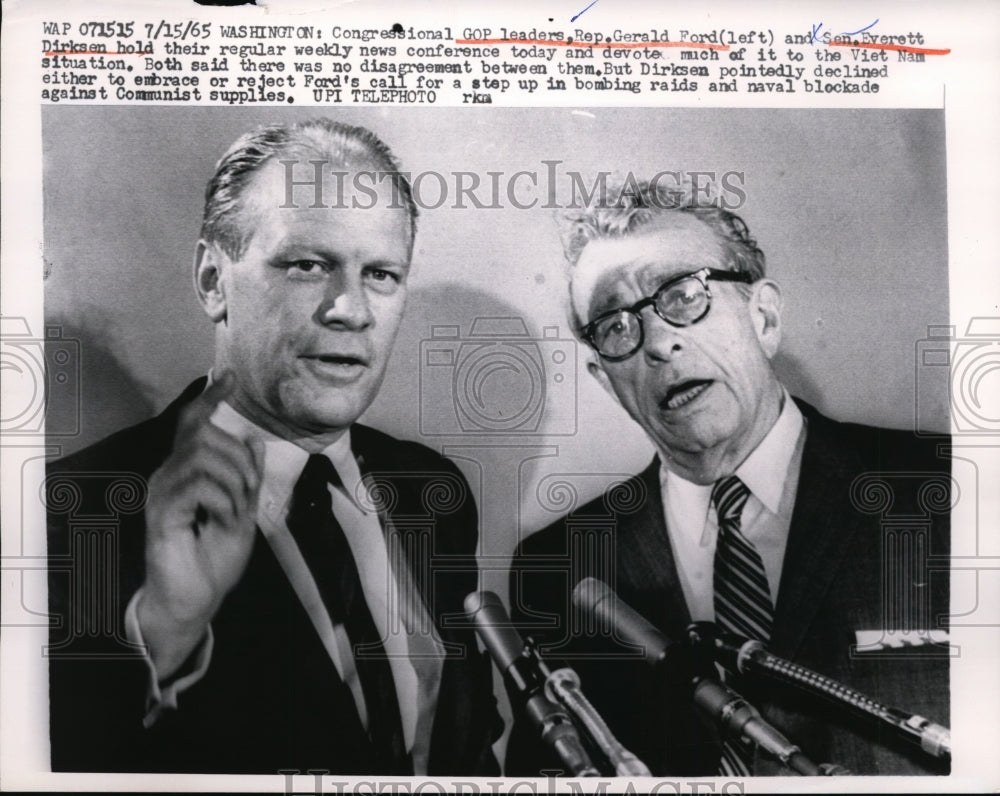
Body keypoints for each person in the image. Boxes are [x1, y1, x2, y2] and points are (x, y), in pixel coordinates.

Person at [46, 119, 501, 775]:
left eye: (381, 274)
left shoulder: (434, 491)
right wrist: (169, 632)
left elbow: (465, 751)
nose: (350, 309)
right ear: (211, 280)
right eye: (308, 265)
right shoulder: (72, 512)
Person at [506, 179, 950, 777]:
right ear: (602, 377)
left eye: (685, 295)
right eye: (615, 326)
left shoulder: (951, 489)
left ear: (763, 317)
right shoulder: (558, 566)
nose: (659, 343)